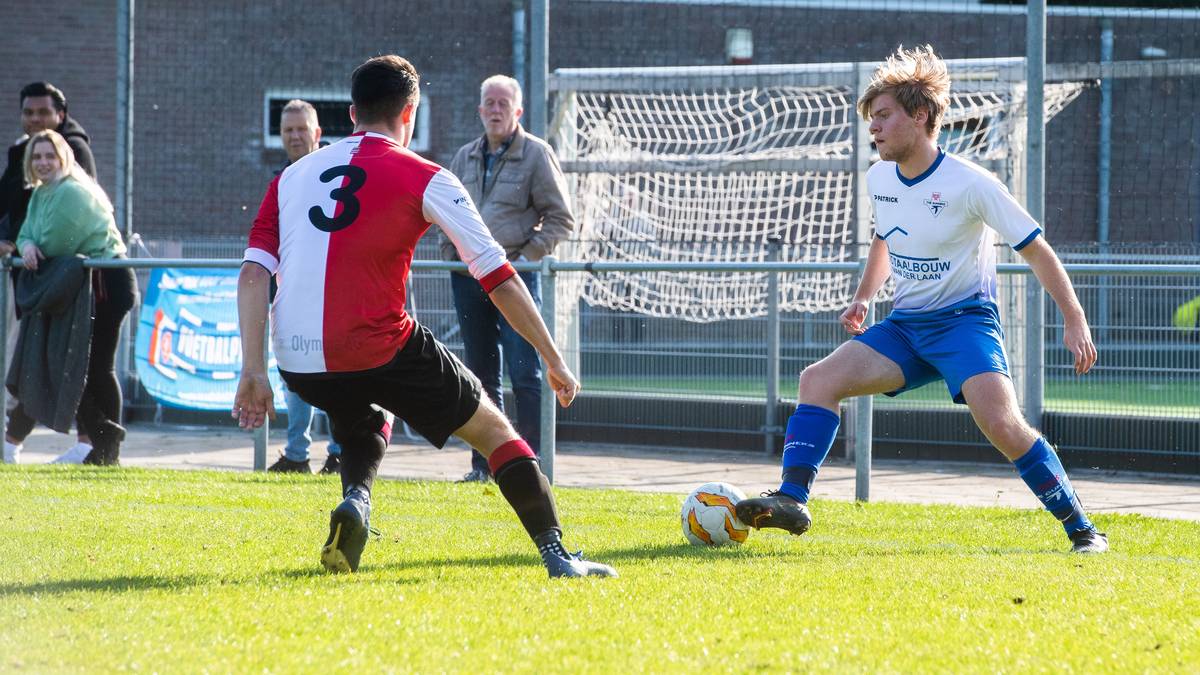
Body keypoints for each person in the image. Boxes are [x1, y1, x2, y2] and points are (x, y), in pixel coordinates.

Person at [233, 55, 616, 578]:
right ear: (408, 114)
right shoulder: (428, 176)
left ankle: (357, 504)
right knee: (495, 432)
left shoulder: (291, 177)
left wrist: (252, 370)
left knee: (362, 412)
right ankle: (558, 555)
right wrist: (554, 358)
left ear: (351, 114)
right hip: (376, 344)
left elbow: (254, 273)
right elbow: (498, 276)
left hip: (297, 360)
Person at [736, 45, 1108, 555]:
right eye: (872, 119)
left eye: (884, 116)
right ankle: (792, 498)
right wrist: (865, 297)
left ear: (921, 115)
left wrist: (1074, 319)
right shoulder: (880, 177)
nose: (875, 128)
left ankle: (1083, 529)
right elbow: (886, 237)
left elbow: (1037, 250)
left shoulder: (973, 184)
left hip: (965, 324)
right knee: (816, 380)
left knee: (1002, 425)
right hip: (907, 326)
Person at [441, 74, 575, 483]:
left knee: (526, 373)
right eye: (489, 103)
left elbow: (561, 220)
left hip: (514, 280)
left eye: (504, 103)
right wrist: (453, 255)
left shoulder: (537, 154)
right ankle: (485, 465)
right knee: (480, 376)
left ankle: (528, 466)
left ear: (518, 111)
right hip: (468, 280)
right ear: (479, 110)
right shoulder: (463, 157)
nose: (495, 110)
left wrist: (523, 260)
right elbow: (444, 213)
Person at [10, 129, 135, 466]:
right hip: (81, 285)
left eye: (50, 155)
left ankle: (107, 451)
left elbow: (56, 242)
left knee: (97, 368)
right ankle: (99, 445)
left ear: (63, 157)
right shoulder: (40, 194)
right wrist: (28, 245)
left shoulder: (71, 192)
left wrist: (35, 245)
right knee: (76, 366)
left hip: (107, 281)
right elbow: (28, 234)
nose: (43, 162)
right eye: (37, 157)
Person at [0, 82, 97, 463]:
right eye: (29, 113)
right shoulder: (23, 157)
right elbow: (14, 213)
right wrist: (16, 243)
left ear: (61, 115)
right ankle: (15, 439)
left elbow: (74, 218)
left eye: (43, 113)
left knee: (65, 357)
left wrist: (34, 247)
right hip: (37, 278)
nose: (35, 120)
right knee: (38, 355)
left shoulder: (74, 154)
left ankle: (92, 441)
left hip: (71, 277)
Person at [265, 99, 342, 475]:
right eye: (287, 130)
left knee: (338, 376)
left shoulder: (340, 174)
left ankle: (340, 452)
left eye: (301, 129)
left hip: (333, 294)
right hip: (291, 295)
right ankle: (297, 454)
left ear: (318, 133)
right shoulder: (280, 181)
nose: (294, 136)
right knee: (294, 375)